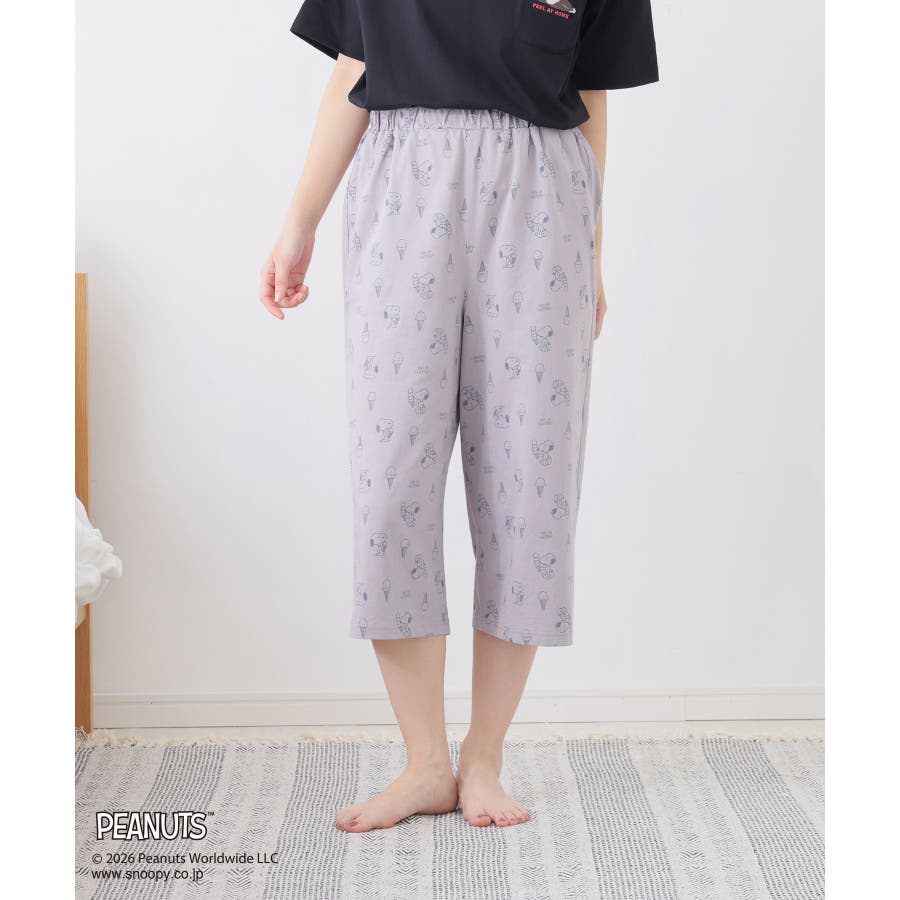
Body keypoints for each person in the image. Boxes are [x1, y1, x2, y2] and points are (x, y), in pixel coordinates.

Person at [259, 0, 658, 833]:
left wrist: (591, 250)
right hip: (401, 184)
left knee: (529, 488)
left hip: (543, 194)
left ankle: (483, 756)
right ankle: (423, 763)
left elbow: (591, 93)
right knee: (389, 490)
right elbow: (353, 69)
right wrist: (299, 222)